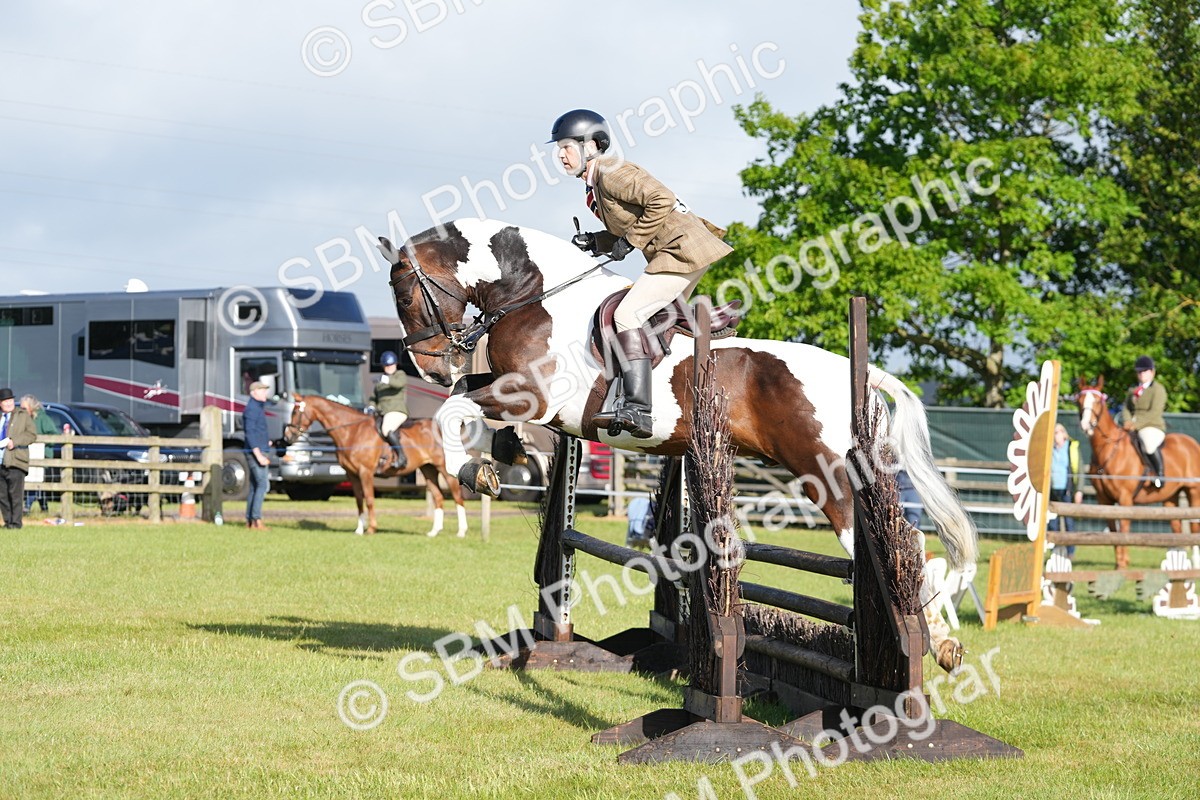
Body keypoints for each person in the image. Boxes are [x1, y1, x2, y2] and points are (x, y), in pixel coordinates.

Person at [551, 109, 733, 438]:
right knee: (647, 317)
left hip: (681, 249)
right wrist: (598, 240)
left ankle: (638, 408)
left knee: (627, 314)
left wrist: (630, 242)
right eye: (559, 148)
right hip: (677, 249)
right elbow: (632, 221)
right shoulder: (594, 186)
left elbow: (661, 200)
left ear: (591, 146)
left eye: (568, 146)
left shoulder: (610, 171)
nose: (561, 154)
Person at [1124, 355, 1167, 488]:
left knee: (1148, 444)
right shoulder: (1132, 390)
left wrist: (1135, 424)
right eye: (1139, 371)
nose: (1142, 374)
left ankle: (1159, 474)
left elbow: (1155, 412)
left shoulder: (1158, 389)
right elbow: (1126, 407)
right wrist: (1127, 421)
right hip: (1131, 425)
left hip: (1152, 426)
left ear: (1152, 372)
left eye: (1145, 371)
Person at [0, 387, 37, 529]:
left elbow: (31, 435)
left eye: (10, 400)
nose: (8, 403)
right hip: (0, 460)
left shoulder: (22, 416)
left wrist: (15, 442)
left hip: (16, 460)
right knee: (2, 495)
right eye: (5, 401)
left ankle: (16, 523)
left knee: (15, 495)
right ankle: (8, 522)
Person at [1047, 423, 1083, 556]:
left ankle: (1070, 551)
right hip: (1052, 490)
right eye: (1055, 433)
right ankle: (1055, 549)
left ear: (1064, 433)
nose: (1057, 435)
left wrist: (1079, 490)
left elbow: (1079, 470)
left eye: (1059, 432)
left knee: (1069, 522)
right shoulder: (1049, 449)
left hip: (1067, 489)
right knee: (1052, 522)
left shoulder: (1071, 448)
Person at [20, 395, 58, 514]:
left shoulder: (42, 419)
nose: (22, 411)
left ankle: (27, 506)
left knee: (35, 481)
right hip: (28, 454)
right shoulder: (23, 419)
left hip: (41, 455)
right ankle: (44, 508)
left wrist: (43, 444)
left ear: (31, 407)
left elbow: (54, 436)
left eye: (24, 408)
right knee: (37, 484)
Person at [371, 351, 408, 470]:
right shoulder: (380, 382)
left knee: (387, 429)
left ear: (395, 364)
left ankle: (402, 457)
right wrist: (371, 406)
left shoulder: (399, 374)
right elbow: (374, 397)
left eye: (391, 365)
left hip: (396, 411)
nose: (389, 368)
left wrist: (386, 379)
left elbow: (399, 384)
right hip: (382, 412)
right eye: (387, 366)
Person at [243, 381, 272, 529]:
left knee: (255, 486)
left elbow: (257, 431)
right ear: (254, 392)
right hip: (256, 452)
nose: (265, 393)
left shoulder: (257, 408)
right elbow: (250, 433)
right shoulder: (252, 409)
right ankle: (256, 519)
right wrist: (259, 455)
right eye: (262, 390)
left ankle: (250, 520)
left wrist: (268, 442)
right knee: (262, 484)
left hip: (260, 448)